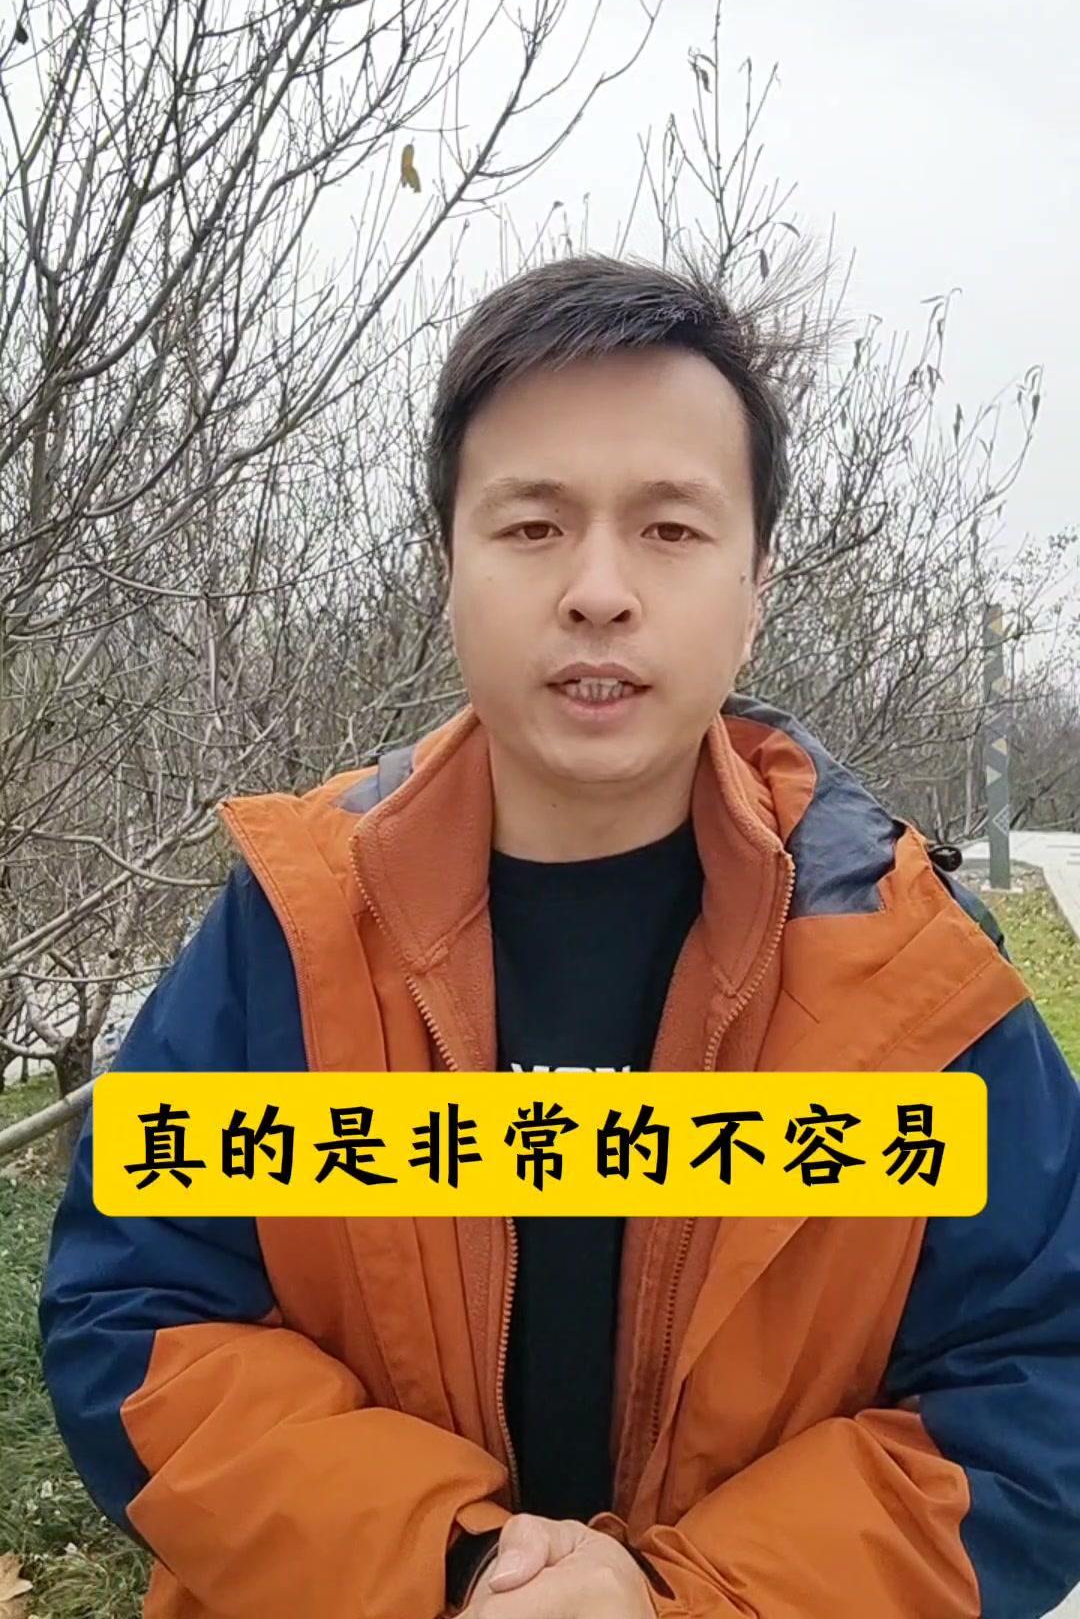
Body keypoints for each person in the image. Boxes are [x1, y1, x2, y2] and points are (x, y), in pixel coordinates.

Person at [40, 256, 1080, 1619]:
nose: (599, 590)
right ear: (449, 568)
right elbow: (142, 1319)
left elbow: (1038, 1382)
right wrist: (455, 1566)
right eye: (532, 526)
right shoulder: (295, 932)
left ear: (757, 582)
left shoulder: (906, 970)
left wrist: (680, 1599)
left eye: (670, 529)